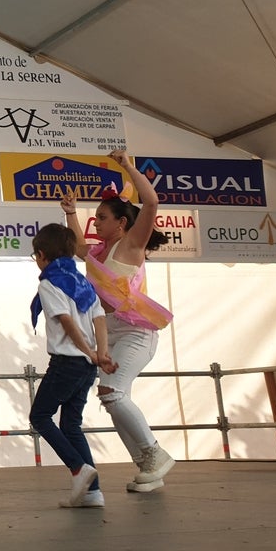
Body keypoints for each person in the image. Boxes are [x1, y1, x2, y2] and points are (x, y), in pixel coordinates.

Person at [62, 149, 175, 493]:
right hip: (111, 334)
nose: (95, 221)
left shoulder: (130, 245)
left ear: (121, 223)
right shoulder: (98, 252)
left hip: (138, 334)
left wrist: (127, 166)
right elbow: (79, 247)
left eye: (101, 217)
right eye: (94, 217)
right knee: (111, 398)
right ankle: (147, 467)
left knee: (112, 393)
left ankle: (155, 454)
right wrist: (70, 213)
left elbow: (151, 203)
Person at [29, 223, 118, 509]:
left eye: (35, 256)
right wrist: (100, 354)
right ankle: (92, 492)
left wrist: (90, 352)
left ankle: (78, 469)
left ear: (42, 255)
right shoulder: (83, 282)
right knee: (71, 424)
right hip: (86, 366)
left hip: (67, 362)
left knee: (40, 416)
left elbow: (66, 322)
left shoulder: (49, 283)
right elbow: (99, 320)